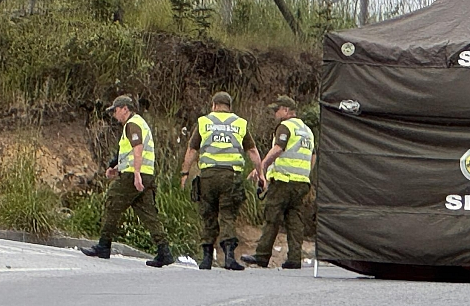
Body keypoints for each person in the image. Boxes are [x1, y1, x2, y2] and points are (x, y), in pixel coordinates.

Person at [81, 95, 175, 268]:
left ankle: (104, 245)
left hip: (133, 175)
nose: (115, 115)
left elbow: (137, 148)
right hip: (145, 174)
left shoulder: (132, 125)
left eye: (116, 110)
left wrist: (136, 173)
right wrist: (117, 167)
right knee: (148, 214)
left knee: (112, 202)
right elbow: (130, 154)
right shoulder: (139, 123)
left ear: (125, 109)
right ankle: (164, 251)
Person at [180, 91, 265, 271]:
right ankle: (228, 258)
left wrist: (184, 173)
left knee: (208, 215)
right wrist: (261, 174)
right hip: (230, 176)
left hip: (208, 176)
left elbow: (192, 150)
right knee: (227, 215)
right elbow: (252, 152)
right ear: (229, 107)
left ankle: (206, 259)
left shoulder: (204, 122)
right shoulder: (239, 124)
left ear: (214, 105)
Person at [241, 95, 315, 269]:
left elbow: (278, 149)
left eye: (278, 110)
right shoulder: (307, 130)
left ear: (287, 111)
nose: (275, 113)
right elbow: (313, 155)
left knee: (272, 217)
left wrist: (262, 167)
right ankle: (294, 258)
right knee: (295, 220)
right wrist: (306, 172)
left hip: (284, 180)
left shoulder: (285, 127)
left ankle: (262, 256)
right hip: (302, 182)